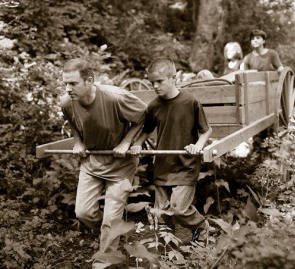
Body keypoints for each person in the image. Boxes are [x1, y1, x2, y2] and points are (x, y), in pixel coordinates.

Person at [60, 58, 146, 268]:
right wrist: (78, 141)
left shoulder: (115, 97)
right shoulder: (67, 102)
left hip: (121, 164)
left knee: (111, 217)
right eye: (65, 84)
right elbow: (72, 121)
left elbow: (145, 115)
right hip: (92, 162)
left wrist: (127, 142)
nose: (68, 89)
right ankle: (112, 233)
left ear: (89, 81)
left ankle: (105, 260)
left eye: (73, 83)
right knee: (83, 212)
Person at [130, 58, 212, 243]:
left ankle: (201, 226)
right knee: (161, 211)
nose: (155, 86)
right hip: (163, 165)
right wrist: (137, 144)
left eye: (160, 81)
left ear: (173, 78)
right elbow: (147, 130)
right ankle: (169, 247)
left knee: (179, 208)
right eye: (152, 82)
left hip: (185, 164)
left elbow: (206, 131)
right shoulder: (154, 106)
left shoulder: (190, 101)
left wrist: (198, 146)